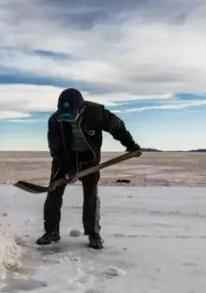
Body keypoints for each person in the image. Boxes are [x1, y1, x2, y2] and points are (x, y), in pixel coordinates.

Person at [36, 88, 141, 249]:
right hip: (64, 159)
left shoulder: (97, 113)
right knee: (53, 193)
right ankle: (51, 232)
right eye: (64, 115)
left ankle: (93, 233)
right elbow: (56, 149)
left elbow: (117, 127)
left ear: (81, 108)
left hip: (90, 160)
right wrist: (70, 169)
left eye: (71, 114)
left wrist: (130, 145)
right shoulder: (55, 120)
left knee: (91, 196)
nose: (68, 119)